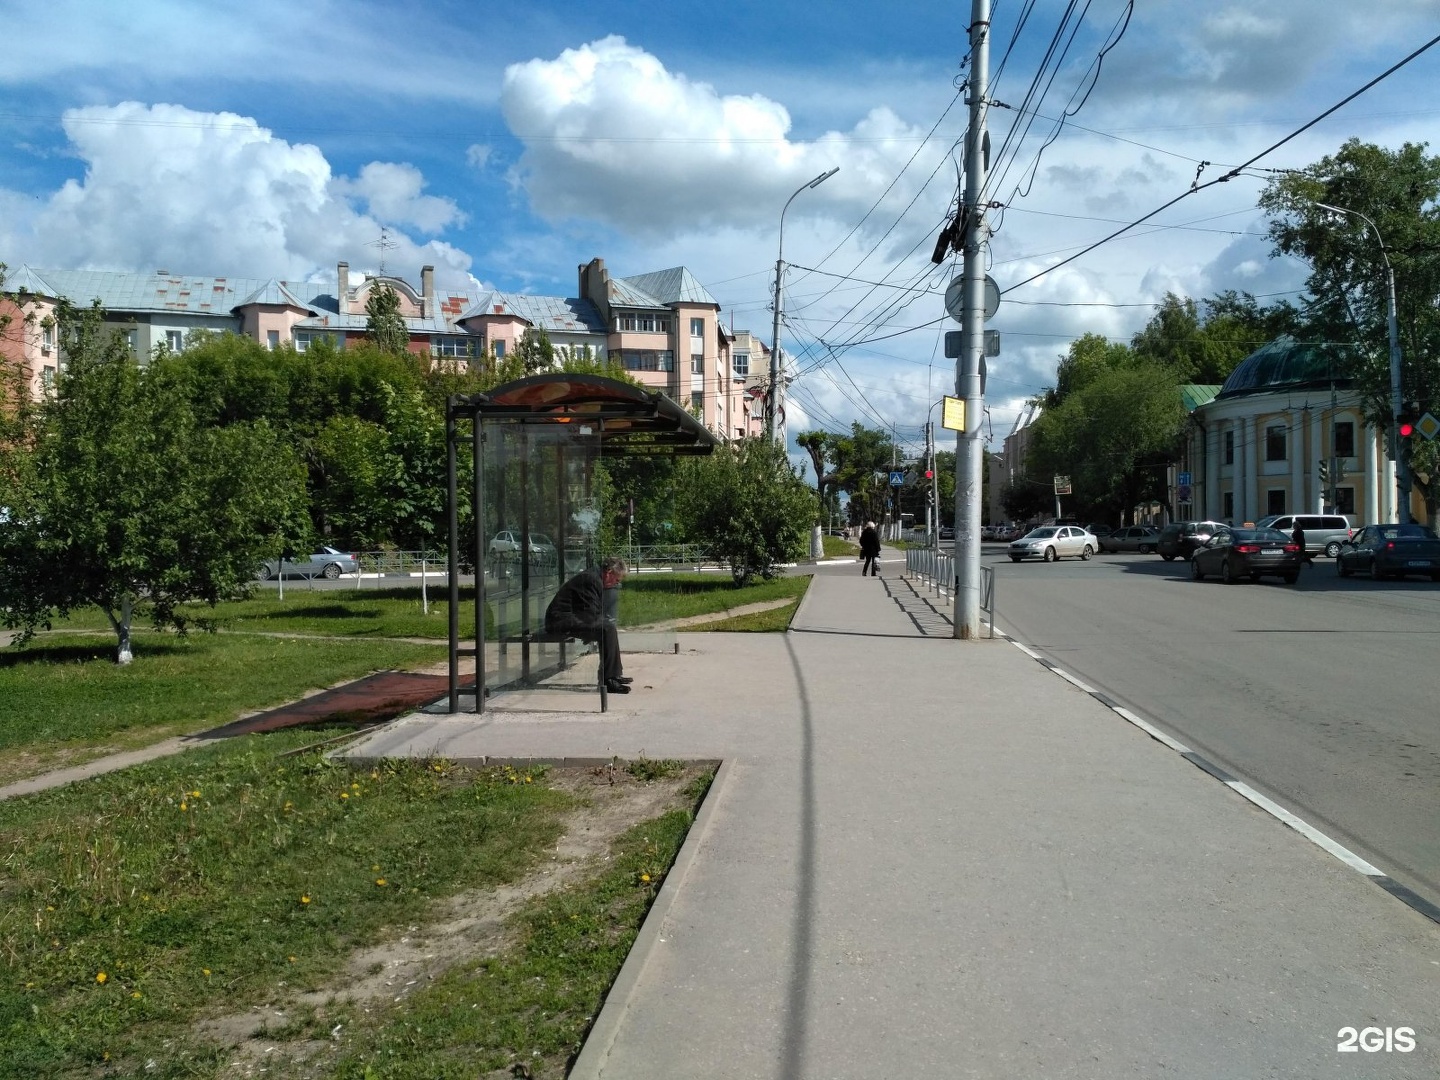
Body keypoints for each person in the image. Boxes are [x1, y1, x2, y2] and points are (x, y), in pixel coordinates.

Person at [545, 555, 631, 693]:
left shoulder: (595, 578)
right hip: (560, 621)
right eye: (616, 580)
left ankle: (613, 675)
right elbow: (590, 613)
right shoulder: (592, 580)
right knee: (607, 629)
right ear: (609, 572)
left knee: (608, 628)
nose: (615, 584)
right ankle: (609, 680)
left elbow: (591, 611)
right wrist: (599, 625)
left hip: (570, 618)